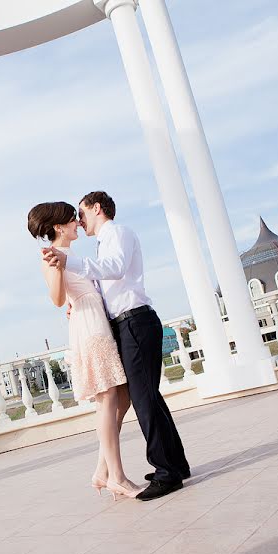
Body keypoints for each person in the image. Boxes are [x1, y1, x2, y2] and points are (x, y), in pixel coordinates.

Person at [43, 191, 190, 501]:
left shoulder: (118, 233)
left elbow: (116, 267)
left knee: (141, 398)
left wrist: (71, 264)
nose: (79, 221)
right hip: (117, 325)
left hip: (134, 320)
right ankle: (173, 464)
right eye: (73, 218)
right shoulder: (93, 247)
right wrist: (76, 301)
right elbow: (88, 285)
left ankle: (165, 471)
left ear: (97, 208)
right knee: (143, 397)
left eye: (81, 213)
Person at [27, 201, 142, 499]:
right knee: (106, 399)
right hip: (88, 327)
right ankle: (117, 476)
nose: (78, 223)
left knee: (123, 396)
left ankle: (103, 470)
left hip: (96, 319)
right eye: (72, 220)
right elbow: (56, 298)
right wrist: (58, 274)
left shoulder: (71, 254)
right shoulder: (53, 255)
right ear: (58, 227)